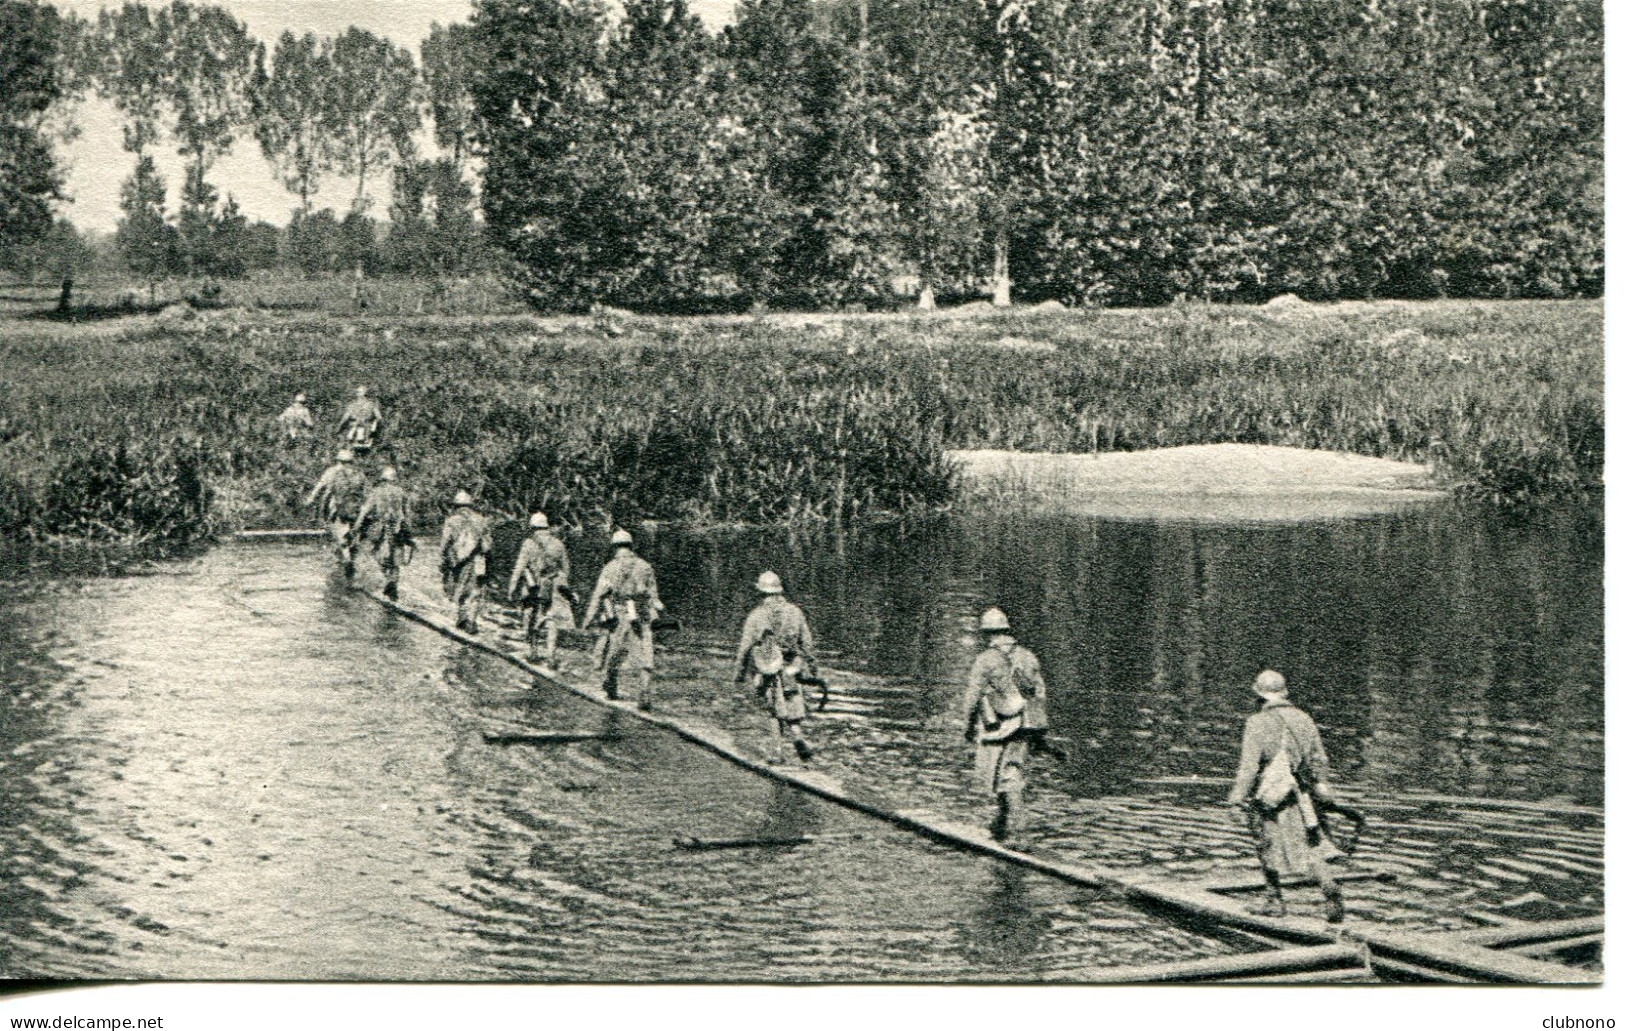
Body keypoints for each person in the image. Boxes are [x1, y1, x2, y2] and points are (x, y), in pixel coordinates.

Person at [1224, 670, 1346, 923]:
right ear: (1284, 694)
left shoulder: (1256, 722)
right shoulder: (1304, 718)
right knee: (1311, 846)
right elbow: (1319, 759)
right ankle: (1328, 886)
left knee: (1266, 843)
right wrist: (1320, 785)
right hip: (1302, 795)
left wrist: (1236, 799)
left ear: (1258, 696)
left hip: (1272, 796)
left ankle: (1273, 900)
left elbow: (1249, 768)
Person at [961, 607, 1050, 842]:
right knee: (1007, 775)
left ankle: (1020, 834)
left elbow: (972, 697)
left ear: (986, 634)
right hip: (1026, 725)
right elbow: (1039, 694)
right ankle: (1000, 826)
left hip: (999, 727)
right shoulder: (1028, 656)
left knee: (1007, 778)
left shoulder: (985, 660)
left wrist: (968, 728)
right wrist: (1039, 734)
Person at [735, 571, 820, 764]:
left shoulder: (756, 616)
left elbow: (745, 647)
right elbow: (807, 643)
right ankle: (798, 737)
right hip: (792, 666)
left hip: (769, 666)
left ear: (761, 592)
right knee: (791, 702)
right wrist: (814, 669)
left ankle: (776, 753)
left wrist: (739, 673)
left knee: (774, 710)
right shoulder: (795, 612)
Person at [584, 528, 664, 711]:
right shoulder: (645, 566)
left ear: (614, 547)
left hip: (621, 614)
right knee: (646, 653)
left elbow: (598, 596)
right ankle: (644, 691)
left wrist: (588, 619)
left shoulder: (610, 568)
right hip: (642, 613)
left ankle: (611, 686)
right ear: (631, 546)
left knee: (615, 653)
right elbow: (654, 596)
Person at [507, 512, 572, 665]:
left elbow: (519, 568)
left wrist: (511, 588)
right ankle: (550, 656)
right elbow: (566, 569)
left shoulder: (528, 543)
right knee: (551, 620)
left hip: (532, 586)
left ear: (532, 527)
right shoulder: (558, 544)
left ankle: (533, 652)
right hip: (551, 585)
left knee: (530, 616)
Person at [304, 449, 368, 580]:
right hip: (356, 509)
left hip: (337, 508)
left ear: (338, 460)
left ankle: (347, 559)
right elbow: (366, 492)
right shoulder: (358, 474)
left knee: (339, 534)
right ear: (351, 460)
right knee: (354, 534)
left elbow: (320, 487)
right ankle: (351, 556)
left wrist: (311, 499)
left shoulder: (331, 472)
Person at [354, 466, 413, 601]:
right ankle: (393, 583)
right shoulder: (402, 493)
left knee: (381, 556)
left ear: (383, 479)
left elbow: (365, 511)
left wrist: (357, 527)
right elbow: (407, 514)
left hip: (381, 528)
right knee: (396, 559)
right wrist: (409, 533)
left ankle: (388, 580)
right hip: (398, 529)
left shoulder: (376, 492)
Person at [439, 491, 491, 633]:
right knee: (476, 590)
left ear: (456, 506)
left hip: (459, 560)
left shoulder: (452, 520)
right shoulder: (481, 519)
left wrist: (442, 558)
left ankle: (462, 617)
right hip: (479, 559)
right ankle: (472, 621)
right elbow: (488, 544)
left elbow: (445, 542)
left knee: (458, 587)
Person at [338, 386, 384, 454]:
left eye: (359, 392)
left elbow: (344, 419)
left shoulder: (354, 405)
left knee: (351, 448)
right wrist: (376, 428)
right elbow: (379, 418)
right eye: (357, 392)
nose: (357, 393)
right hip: (363, 429)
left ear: (364, 393)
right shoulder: (369, 404)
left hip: (358, 429)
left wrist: (339, 428)